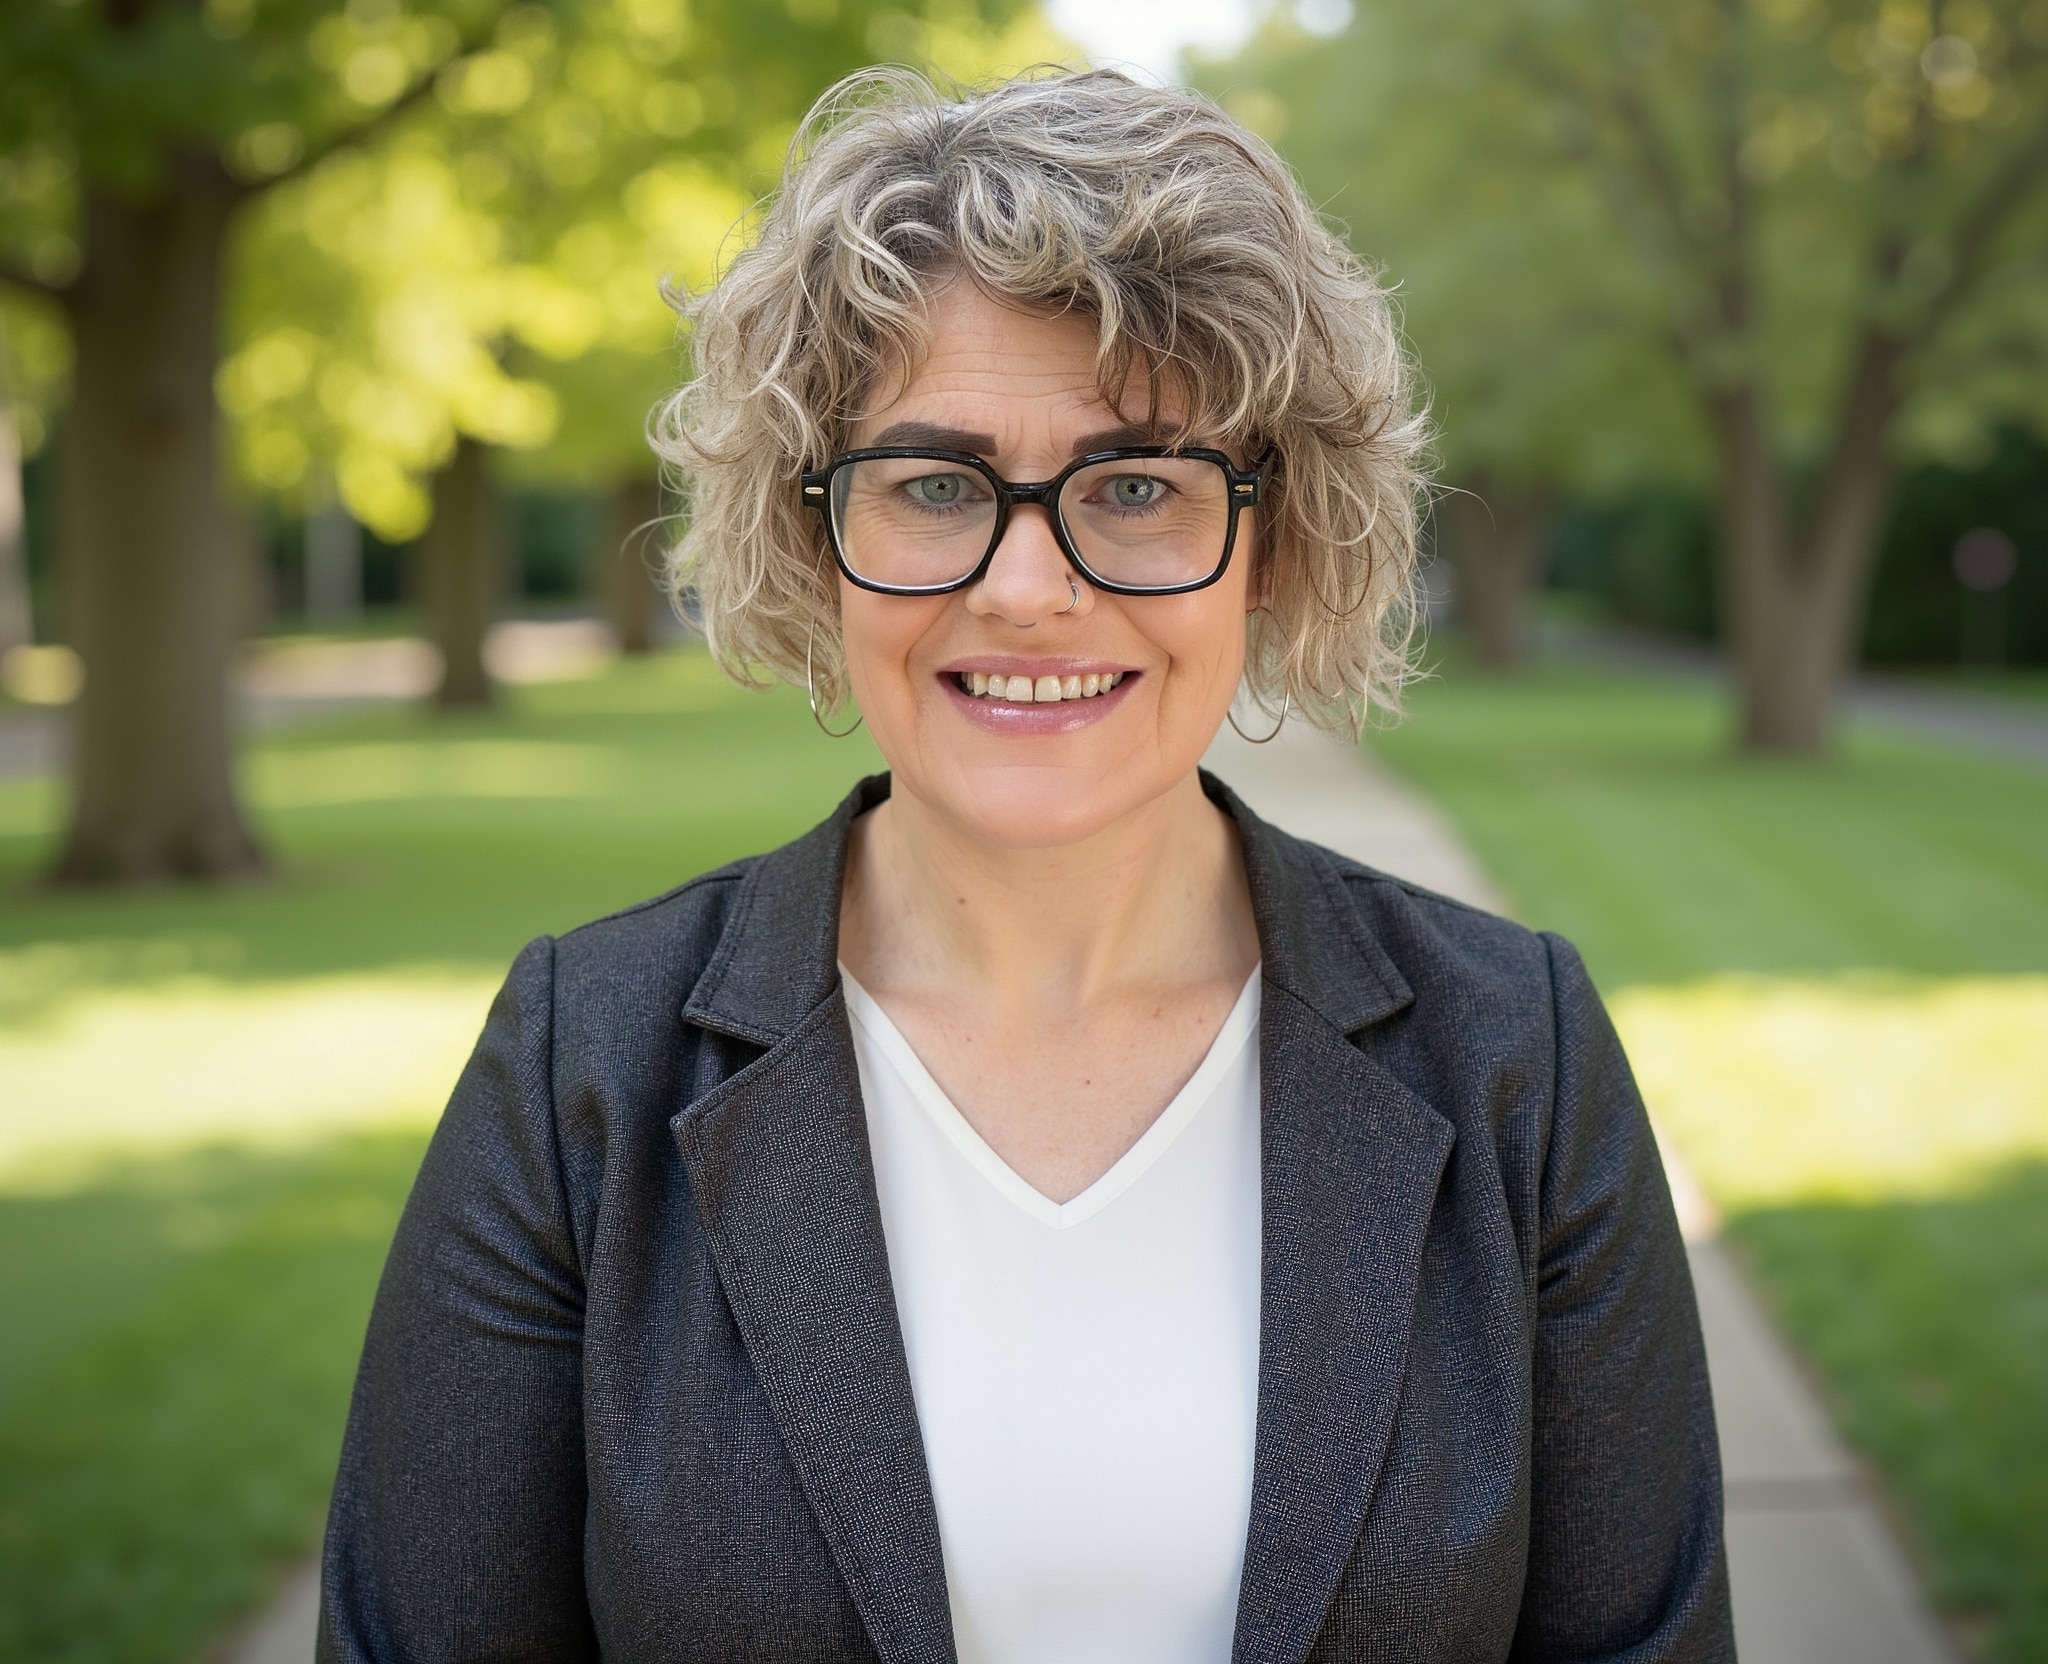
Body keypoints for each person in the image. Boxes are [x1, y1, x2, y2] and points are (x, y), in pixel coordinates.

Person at [318, 67, 1733, 1664]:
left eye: (1133, 487)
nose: (1028, 586)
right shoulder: (581, 1067)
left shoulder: (1517, 1057)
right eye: (936, 486)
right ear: (811, 535)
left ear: (1275, 542)